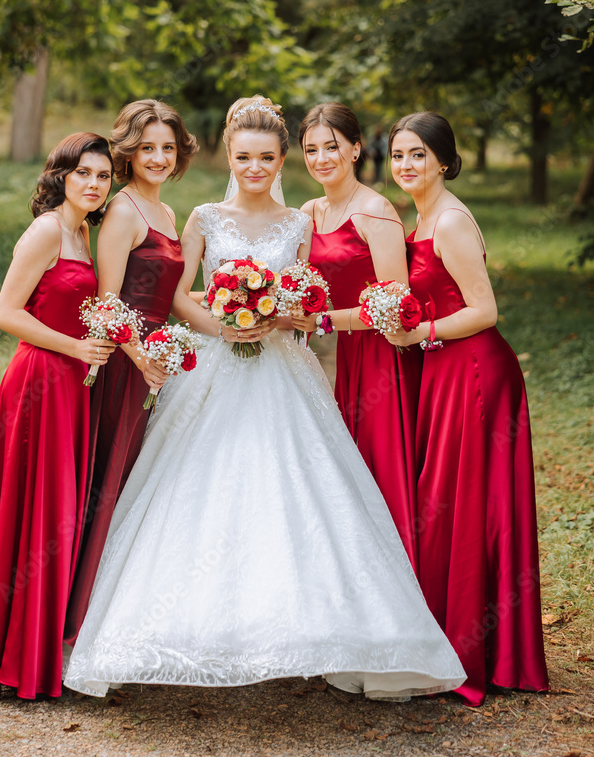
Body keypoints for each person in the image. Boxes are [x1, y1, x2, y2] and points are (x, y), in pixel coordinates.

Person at [63, 96, 465, 700]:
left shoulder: (298, 222)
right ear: (229, 155)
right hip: (215, 364)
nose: (256, 167)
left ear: (282, 161)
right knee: (195, 488)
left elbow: (306, 298)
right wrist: (224, 325)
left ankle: (319, 626)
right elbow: (178, 295)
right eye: (245, 156)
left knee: (301, 488)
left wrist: (285, 314)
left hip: (284, 368)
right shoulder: (201, 217)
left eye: (268, 158)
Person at [386, 111, 549, 706]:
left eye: (418, 155)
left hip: (476, 370)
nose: (406, 165)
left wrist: (419, 331)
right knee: (449, 500)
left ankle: (473, 652)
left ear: (444, 161)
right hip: (446, 367)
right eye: (399, 154)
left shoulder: (450, 221)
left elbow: (485, 309)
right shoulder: (422, 214)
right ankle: (460, 642)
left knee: (467, 503)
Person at [0, 133, 115, 700]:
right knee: (32, 515)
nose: (95, 184)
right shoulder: (49, 229)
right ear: (61, 176)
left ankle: (31, 650)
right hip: (38, 382)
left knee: (55, 517)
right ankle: (9, 661)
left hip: (71, 388)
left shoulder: (82, 231)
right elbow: (5, 312)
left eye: (103, 176)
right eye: (84, 174)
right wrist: (75, 349)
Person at [64, 101, 198, 644]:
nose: (159, 157)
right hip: (126, 363)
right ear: (128, 152)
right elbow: (107, 301)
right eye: (147, 148)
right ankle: (84, 623)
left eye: (167, 147)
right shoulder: (123, 211)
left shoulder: (164, 213)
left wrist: (234, 324)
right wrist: (139, 354)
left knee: (145, 483)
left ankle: (127, 613)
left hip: (159, 358)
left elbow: (174, 296)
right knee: (115, 479)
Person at [294, 103, 421, 570]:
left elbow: (395, 307)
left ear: (355, 148)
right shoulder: (309, 211)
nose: (321, 157)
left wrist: (325, 321)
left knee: (381, 465)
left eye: (332, 146)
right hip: (346, 356)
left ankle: (403, 576)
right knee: (351, 469)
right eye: (311, 149)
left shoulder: (375, 211)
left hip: (384, 356)